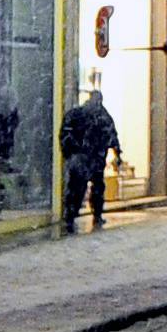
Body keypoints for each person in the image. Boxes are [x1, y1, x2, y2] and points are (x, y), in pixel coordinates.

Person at [58, 83, 119, 234]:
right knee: (93, 187)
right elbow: (112, 136)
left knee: (77, 188)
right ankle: (93, 215)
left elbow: (65, 133)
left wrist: (69, 152)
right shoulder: (102, 116)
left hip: (82, 158)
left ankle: (70, 217)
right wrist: (116, 153)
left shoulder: (77, 113)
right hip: (93, 158)